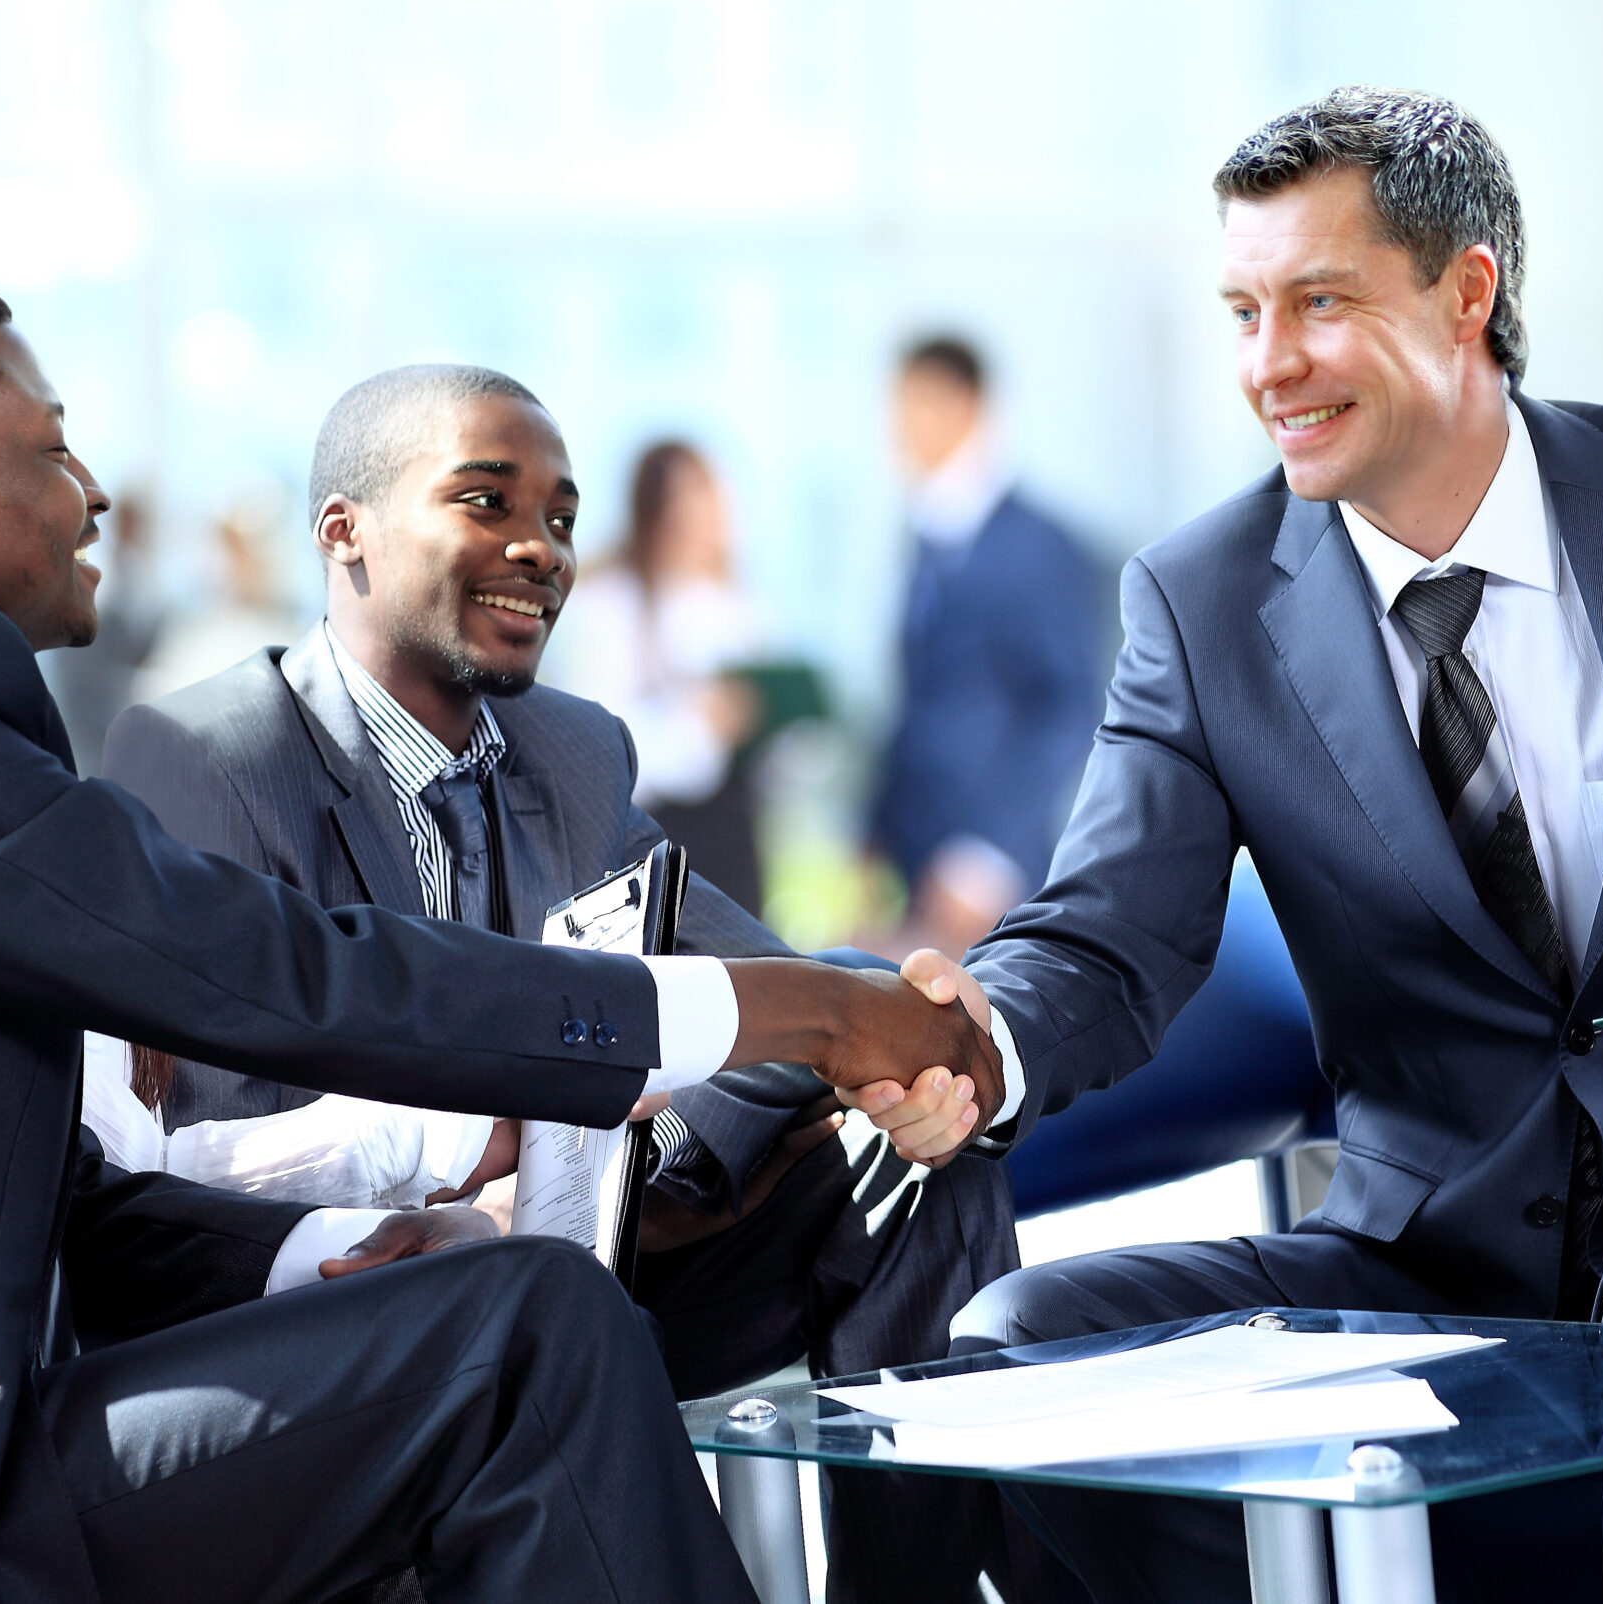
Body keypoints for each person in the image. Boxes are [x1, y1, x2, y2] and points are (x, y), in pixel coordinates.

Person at [0, 263, 1002, 1604]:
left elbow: (75, 1209)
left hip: (20, 1430)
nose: (92, 490)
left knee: (524, 1302)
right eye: (48, 448)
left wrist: (337, 1248)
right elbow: (284, 972)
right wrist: (802, 1013)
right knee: (526, 1333)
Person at [898, 86, 1603, 1604]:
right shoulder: (1202, 599)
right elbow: (1108, 932)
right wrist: (978, 1042)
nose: (1267, 363)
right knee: (1014, 1349)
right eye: (1243, 310)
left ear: (1467, 290)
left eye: (1318, 301)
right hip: (1414, 1266)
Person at [100, 368, 1023, 1603]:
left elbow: (760, 987)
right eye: (484, 501)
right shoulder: (208, 754)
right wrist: (489, 1190)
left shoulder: (573, 750)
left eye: (562, 517)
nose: (537, 547)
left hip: (589, 1246)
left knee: (927, 1167)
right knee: (540, 1307)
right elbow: (217, 1155)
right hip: (374, 1296)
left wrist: (670, 1162)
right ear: (344, 532)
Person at [868, 335, 1110, 959]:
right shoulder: (925, 533)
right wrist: (872, 837)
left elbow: (1066, 708)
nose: (902, 426)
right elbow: (919, 704)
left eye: (918, 403)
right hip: (914, 861)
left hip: (986, 872)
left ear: (967, 404)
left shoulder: (1037, 544)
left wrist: (987, 855)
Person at [541, 439, 768, 915]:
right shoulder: (609, 604)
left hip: (732, 845)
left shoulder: (735, 608)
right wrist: (700, 728)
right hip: (650, 844)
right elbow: (599, 742)